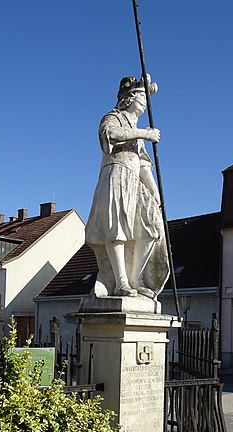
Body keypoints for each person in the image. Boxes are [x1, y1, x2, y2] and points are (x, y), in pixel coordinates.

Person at [85, 74, 169, 299]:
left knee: (151, 227)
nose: (145, 101)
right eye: (142, 95)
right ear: (128, 98)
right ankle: (121, 282)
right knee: (117, 228)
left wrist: (155, 193)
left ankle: (136, 278)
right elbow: (110, 135)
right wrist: (145, 133)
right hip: (116, 176)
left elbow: (143, 165)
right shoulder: (113, 118)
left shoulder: (138, 132)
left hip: (135, 181)